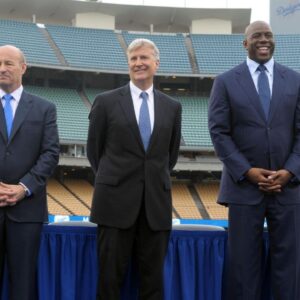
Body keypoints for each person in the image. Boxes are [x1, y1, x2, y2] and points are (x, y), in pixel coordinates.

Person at [208, 20, 300, 299]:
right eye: (257, 35)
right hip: (244, 189)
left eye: (269, 35)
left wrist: (290, 171)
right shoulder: (225, 81)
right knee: (244, 268)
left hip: (289, 188)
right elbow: (219, 132)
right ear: (245, 43)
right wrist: (246, 171)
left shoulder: (295, 80)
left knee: (290, 268)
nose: (264, 40)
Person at [87, 38, 182, 300]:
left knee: (153, 284)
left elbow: (168, 157)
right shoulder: (105, 102)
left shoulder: (173, 107)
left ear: (156, 63)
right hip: (113, 204)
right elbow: (94, 152)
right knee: (109, 281)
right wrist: (116, 181)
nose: (139, 63)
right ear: (128, 64)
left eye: (144, 58)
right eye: (133, 59)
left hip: (155, 206)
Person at [0, 45, 59, 300]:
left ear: (23, 68)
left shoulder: (45, 108)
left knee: (22, 286)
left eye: (9, 63)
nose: (2, 68)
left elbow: (50, 154)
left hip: (27, 211)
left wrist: (23, 188)